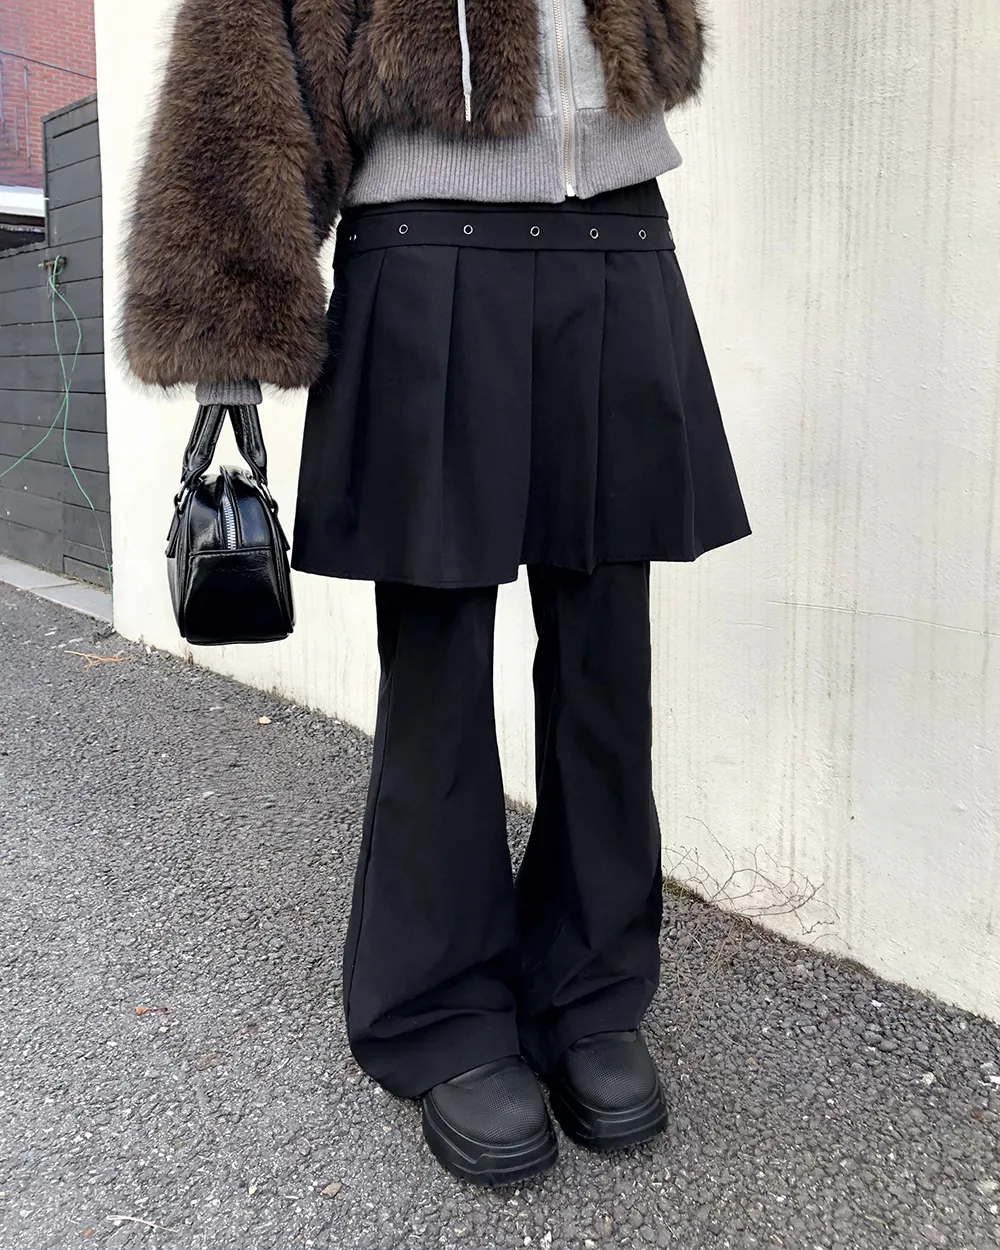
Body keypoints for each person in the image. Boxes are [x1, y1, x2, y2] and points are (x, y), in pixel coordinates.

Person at [123, 0, 750, 1186]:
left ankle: (590, 984)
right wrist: (227, 347)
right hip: (425, 249)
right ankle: (442, 1004)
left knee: (607, 654)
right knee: (439, 665)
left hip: (618, 239)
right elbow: (242, 63)